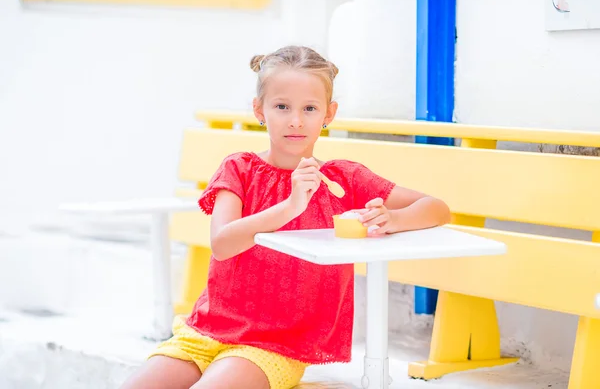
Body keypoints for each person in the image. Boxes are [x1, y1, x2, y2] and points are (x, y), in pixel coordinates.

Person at [120, 45, 451, 389]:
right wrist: (290, 206)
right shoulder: (240, 168)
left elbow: (437, 208)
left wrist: (393, 220)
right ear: (259, 109)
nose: (296, 120)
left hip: (277, 343)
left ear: (329, 114)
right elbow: (222, 243)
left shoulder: (343, 180)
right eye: (282, 107)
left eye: (309, 108)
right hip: (207, 328)